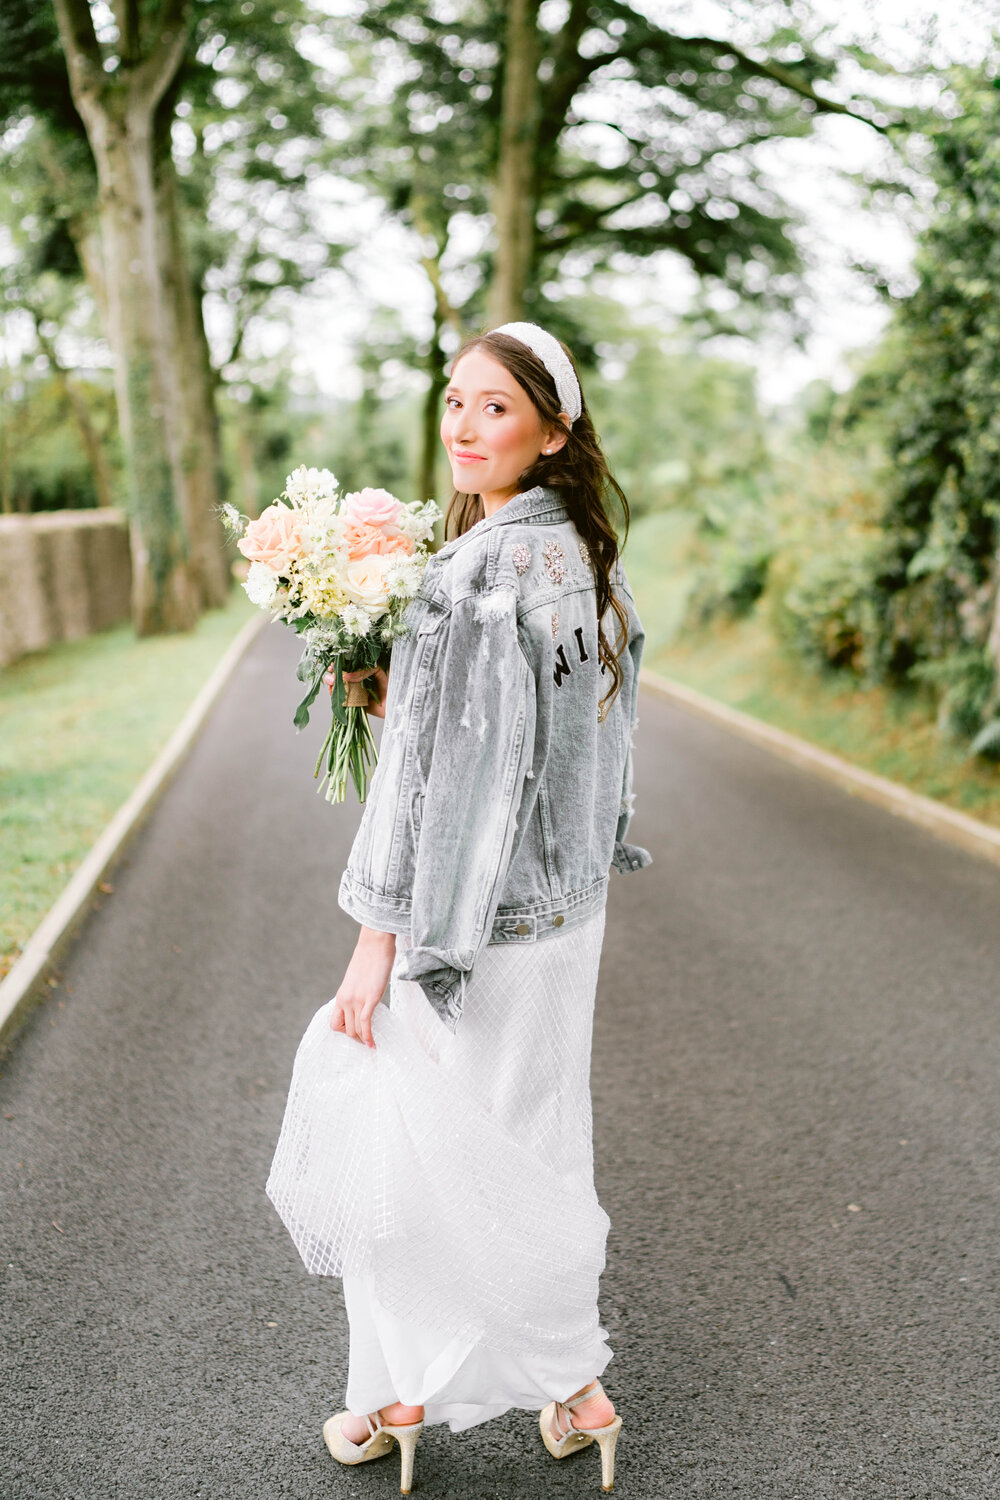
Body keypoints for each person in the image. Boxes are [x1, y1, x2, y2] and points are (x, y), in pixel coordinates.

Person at [266, 321, 651, 1495]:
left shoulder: (475, 572)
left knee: (414, 1152)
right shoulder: (588, 555)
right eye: (455, 402)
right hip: (566, 915)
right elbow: (563, 739)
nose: (464, 426)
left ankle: (398, 1398)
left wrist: (378, 944)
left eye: (495, 407)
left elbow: (436, 785)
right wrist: (397, 691)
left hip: (469, 927)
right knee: (532, 1140)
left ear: (553, 425)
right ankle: (575, 1395)